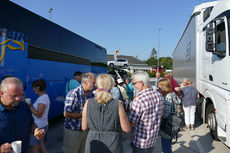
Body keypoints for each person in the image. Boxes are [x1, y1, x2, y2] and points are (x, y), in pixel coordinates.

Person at [82, 74, 131, 153]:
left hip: (93, 142)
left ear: (97, 85)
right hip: (113, 143)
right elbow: (126, 129)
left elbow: (84, 127)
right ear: (111, 85)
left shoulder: (88, 102)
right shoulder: (117, 104)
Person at [0, 77, 45, 153]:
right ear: (1, 93)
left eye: (20, 95)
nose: (18, 98)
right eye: (14, 95)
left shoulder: (24, 106)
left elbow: (31, 124)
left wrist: (36, 130)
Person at [129, 71, 164, 153]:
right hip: (153, 138)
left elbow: (132, 123)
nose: (133, 86)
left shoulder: (139, 100)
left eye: (134, 83)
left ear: (141, 83)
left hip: (140, 141)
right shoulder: (159, 96)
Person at [63, 72, 95, 153]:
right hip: (73, 132)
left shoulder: (91, 94)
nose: (94, 85)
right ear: (85, 82)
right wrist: (84, 116)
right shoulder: (74, 94)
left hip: (86, 131)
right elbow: (66, 114)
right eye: (93, 83)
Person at [157, 78, 181, 153]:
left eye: (159, 87)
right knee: (168, 143)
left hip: (167, 124)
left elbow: (166, 114)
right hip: (174, 122)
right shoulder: (173, 94)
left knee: (165, 145)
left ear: (164, 88)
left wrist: (158, 114)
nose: (158, 89)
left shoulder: (168, 97)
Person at [28, 79, 50, 153]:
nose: (33, 89)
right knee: (41, 145)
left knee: (34, 148)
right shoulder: (43, 97)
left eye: (34, 87)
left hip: (38, 126)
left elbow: (39, 114)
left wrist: (30, 106)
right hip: (42, 125)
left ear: (38, 88)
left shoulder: (42, 99)